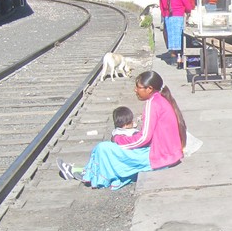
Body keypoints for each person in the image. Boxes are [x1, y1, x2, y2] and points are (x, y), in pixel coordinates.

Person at [57, 71, 186, 190]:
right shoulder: (160, 99)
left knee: (104, 148)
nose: (135, 90)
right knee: (110, 149)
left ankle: (85, 174)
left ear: (149, 89)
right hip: (169, 154)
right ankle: (82, 171)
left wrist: (120, 141)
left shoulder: (153, 104)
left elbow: (144, 138)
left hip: (159, 157)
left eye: (138, 87)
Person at [159, 0, 192, 67]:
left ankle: (173, 57)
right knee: (180, 37)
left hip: (168, 18)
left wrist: (165, 15)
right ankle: (179, 59)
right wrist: (188, 12)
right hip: (178, 17)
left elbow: (161, 7)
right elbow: (187, 6)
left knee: (171, 37)